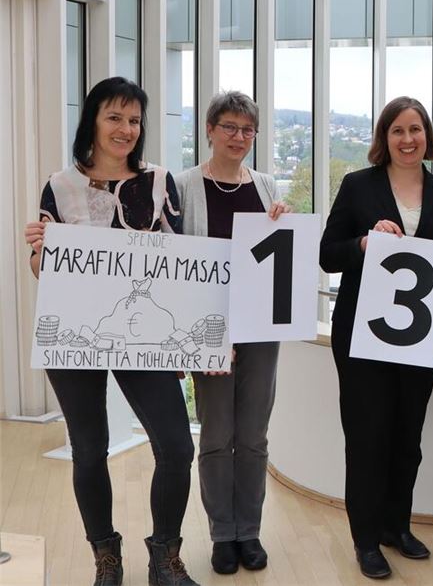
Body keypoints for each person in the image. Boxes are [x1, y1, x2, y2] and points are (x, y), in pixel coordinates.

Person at [23, 77, 199, 586]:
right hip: (76, 332)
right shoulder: (60, 185)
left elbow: (179, 260)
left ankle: (165, 555)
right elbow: (44, 269)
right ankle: (106, 557)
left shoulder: (160, 182)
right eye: (114, 117)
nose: (126, 129)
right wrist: (39, 249)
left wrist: (184, 336)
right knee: (89, 448)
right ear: (93, 123)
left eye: (134, 120)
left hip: (147, 329)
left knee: (175, 445)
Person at [319, 96, 433, 580]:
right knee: (367, 438)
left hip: (421, 337)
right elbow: (327, 254)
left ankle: (396, 527)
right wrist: (363, 242)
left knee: (408, 437)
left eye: (416, 130)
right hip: (363, 336)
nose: (408, 139)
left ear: (428, 137)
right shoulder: (358, 186)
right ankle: (365, 541)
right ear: (384, 138)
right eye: (398, 130)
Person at [175, 91, 289, 575]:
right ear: (209, 129)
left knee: (255, 436)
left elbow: (279, 253)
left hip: (261, 326)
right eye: (229, 127)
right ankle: (223, 533)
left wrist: (285, 223)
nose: (239, 137)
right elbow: (172, 262)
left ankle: (250, 532)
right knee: (217, 434)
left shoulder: (267, 185)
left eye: (247, 130)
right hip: (209, 328)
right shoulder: (182, 187)